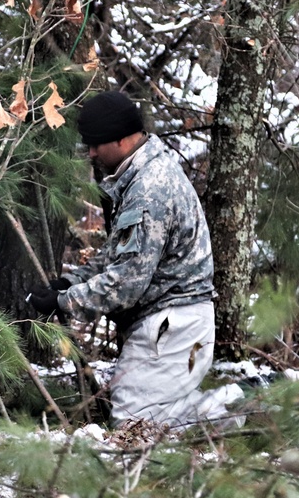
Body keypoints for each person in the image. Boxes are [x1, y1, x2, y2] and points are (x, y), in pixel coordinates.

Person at [28, 90, 243, 429]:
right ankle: (231, 414)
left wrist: (66, 301)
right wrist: (70, 282)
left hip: (174, 325)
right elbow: (122, 254)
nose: (93, 152)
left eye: (98, 143)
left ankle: (243, 408)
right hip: (173, 324)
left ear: (124, 139)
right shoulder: (142, 177)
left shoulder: (149, 189)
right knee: (152, 420)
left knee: (135, 425)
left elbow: (128, 282)